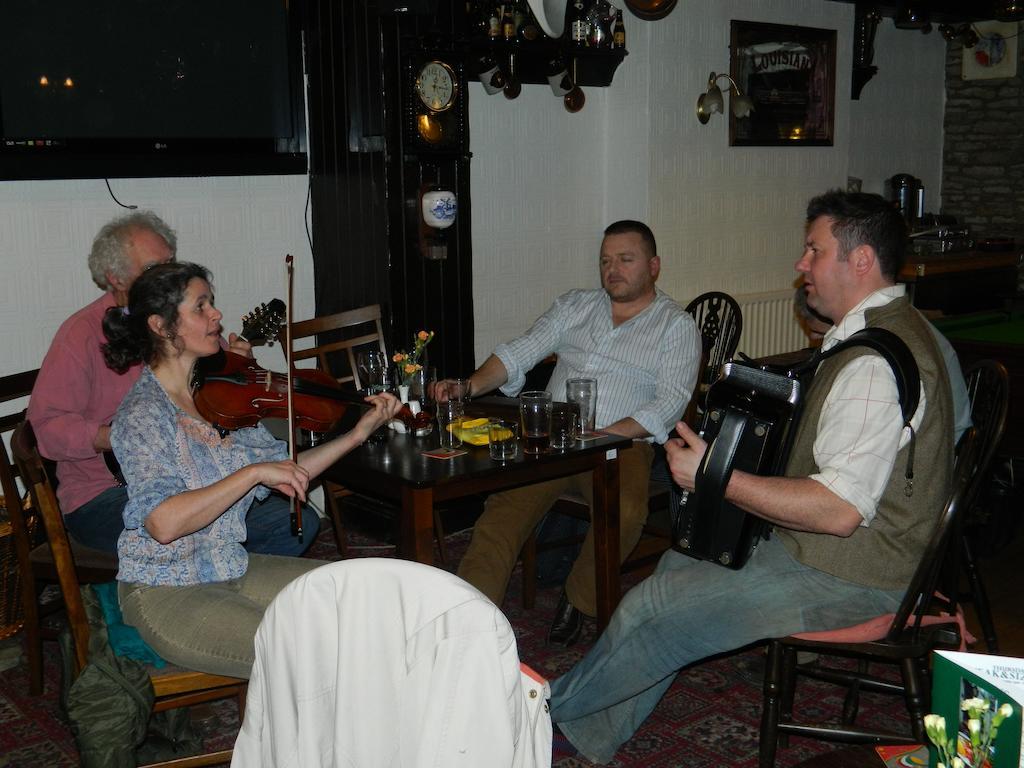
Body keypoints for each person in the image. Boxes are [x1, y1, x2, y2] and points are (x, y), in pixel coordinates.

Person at [547, 191, 955, 764]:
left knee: (659, 610)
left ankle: (543, 711)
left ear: (860, 261)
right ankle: (588, 733)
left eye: (815, 250)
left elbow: (838, 512)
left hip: (855, 576)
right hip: (834, 554)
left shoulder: (872, 364)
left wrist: (715, 474)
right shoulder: (895, 331)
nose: (801, 264)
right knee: (675, 569)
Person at [103, 261, 400, 677]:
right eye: (201, 306)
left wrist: (355, 435)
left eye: (212, 303)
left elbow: (284, 470)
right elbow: (163, 523)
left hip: (231, 567)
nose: (217, 315)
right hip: (166, 593)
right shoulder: (143, 414)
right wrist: (252, 473)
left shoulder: (220, 395)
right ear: (161, 325)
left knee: (364, 596)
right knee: (316, 656)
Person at [438, 220, 702, 647]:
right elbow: (519, 351)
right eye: (605, 260)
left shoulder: (676, 327)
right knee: (502, 510)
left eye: (625, 259)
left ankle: (580, 600)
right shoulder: (575, 305)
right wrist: (467, 386)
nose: (612, 269)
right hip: (552, 439)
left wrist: (604, 435)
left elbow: (668, 403)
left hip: (621, 446)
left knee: (627, 512)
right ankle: (469, 618)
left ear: (654, 266)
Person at [27, 211, 319, 555]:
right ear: (115, 278)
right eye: (153, 268)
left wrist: (236, 365)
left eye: (170, 263)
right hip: (104, 495)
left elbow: (222, 392)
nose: (168, 276)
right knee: (202, 530)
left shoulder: (183, 322)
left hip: (196, 482)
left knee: (293, 522)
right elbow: (46, 428)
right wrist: (123, 438)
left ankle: (236, 598)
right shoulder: (80, 334)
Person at [795, 280, 972, 444]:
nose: (812, 338)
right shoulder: (881, 319)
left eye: (821, 334)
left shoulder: (879, 349)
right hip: (931, 424)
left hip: (946, 437)